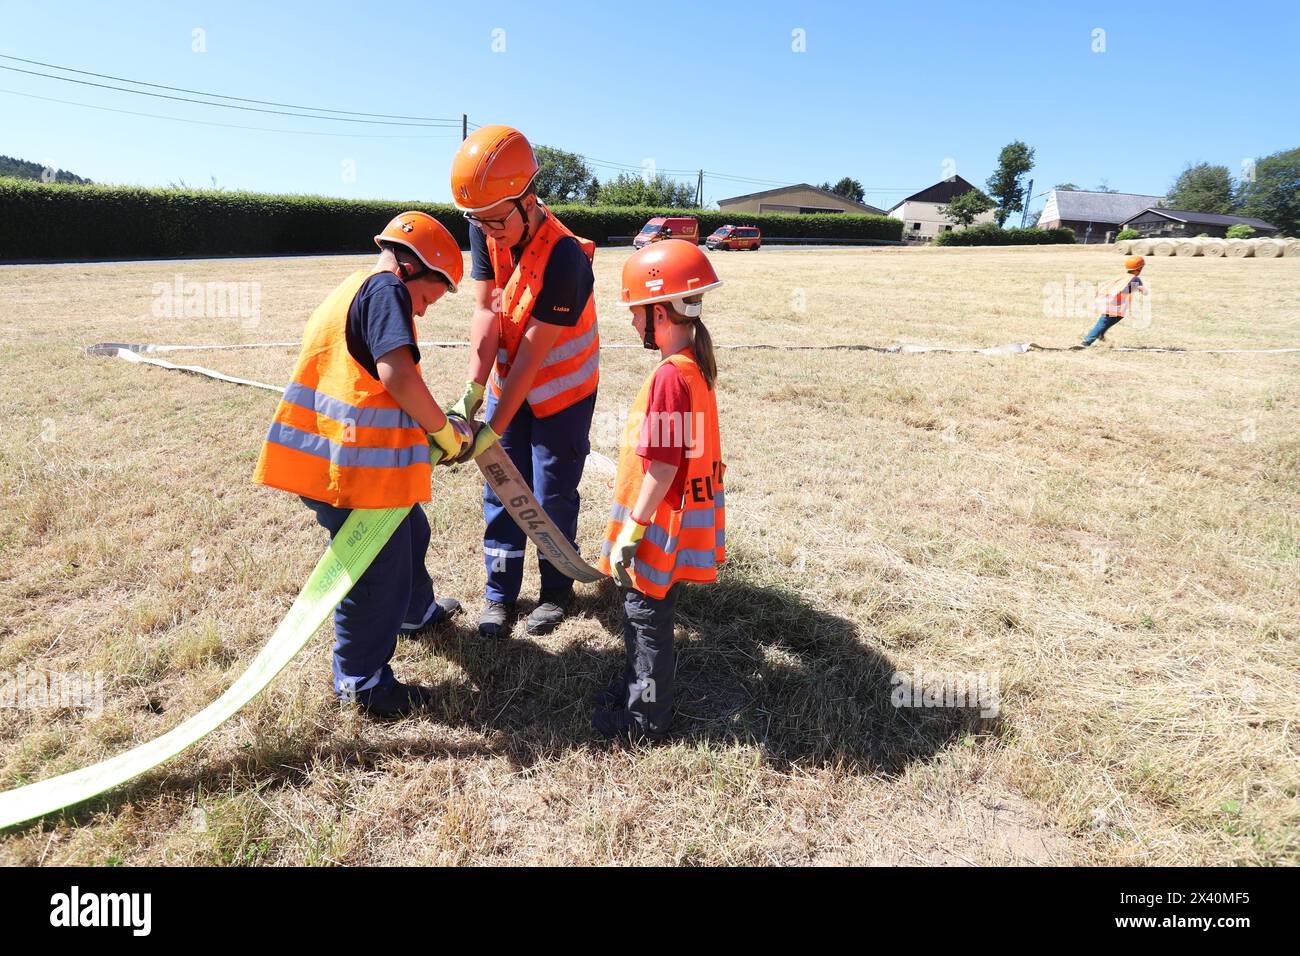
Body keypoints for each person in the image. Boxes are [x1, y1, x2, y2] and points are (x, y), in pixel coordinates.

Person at [253, 212, 471, 718]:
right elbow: (396, 374)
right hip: (352, 473)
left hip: (337, 462)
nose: (424, 310)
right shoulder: (386, 290)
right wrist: (443, 431)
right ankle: (361, 681)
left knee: (411, 531)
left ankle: (416, 614)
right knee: (375, 571)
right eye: (428, 299)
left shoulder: (354, 287)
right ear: (413, 269)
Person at [448, 125, 600, 639]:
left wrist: (491, 427)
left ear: (527, 199)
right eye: (479, 223)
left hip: (563, 392)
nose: (488, 233)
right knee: (500, 487)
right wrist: (473, 391)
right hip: (509, 383)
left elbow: (535, 352)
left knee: (551, 491)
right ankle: (499, 595)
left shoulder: (566, 258)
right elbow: (487, 312)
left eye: (497, 222)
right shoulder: (486, 223)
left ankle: (556, 592)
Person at [595, 239, 727, 741]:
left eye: (635, 313)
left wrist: (634, 527)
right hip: (676, 517)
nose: (631, 323)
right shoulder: (694, 363)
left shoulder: (671, 377)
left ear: (660, 312)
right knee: (647, 612)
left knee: (644, 615)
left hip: (659, 523)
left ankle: (645, 719)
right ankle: (638, 689)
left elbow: (664, 467)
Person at [1080, 255, 1148, 347]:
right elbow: (1144, 291)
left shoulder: (1121, 276)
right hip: (1115, 304)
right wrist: (1142, 289)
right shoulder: (1135, 279)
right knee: (1104, 322)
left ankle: (1100, 334)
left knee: (1113, 319)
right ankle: (1086, 341)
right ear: (1139, 268)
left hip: (1111, 302)